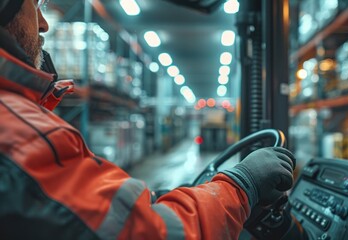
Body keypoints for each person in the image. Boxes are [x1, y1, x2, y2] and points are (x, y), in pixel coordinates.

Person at [0, 0, 296, 239]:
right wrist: (241, 186)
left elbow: (99, 209)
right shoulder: (18, 131)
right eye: (35, 4)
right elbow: (153, 232)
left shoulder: (21, 119)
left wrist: (158, 199)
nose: (44, 23)